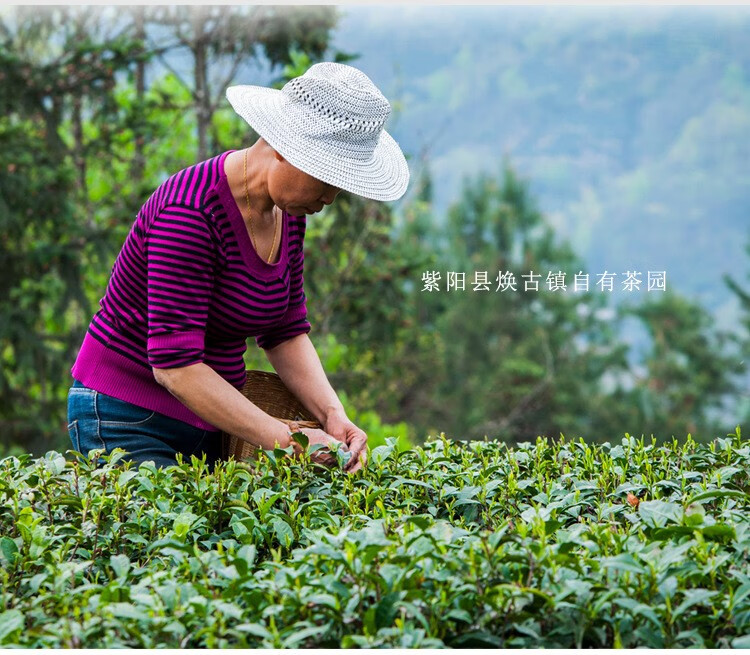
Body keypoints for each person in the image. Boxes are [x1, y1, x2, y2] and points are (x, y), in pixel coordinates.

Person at [66, 61, 410, 474]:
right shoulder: (190, 212)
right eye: (327, 178)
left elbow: (284, 331)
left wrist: (332, 415)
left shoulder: (289, 213)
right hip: (128, 418)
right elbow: (176, 367)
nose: (331, 197)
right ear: (285, 148)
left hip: (212, 422)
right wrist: (291, 441)